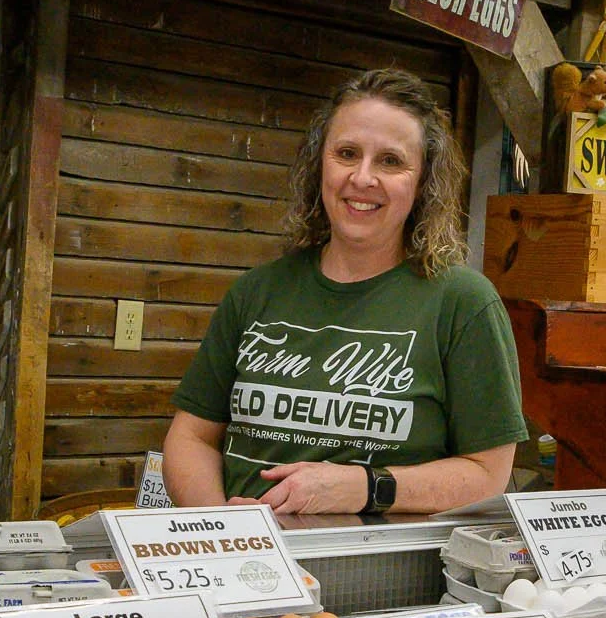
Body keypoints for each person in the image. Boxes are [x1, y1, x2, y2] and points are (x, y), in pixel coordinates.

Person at [163, 66, 526, 514]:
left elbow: (489, 474)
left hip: (386, 574)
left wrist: (366, 487)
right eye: (347, 153)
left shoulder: (462, 302)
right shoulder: (258, 291)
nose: (362, 178)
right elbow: (191, 436)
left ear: (423, 181)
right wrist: (220, 527)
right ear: (320, 164)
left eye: (391, 161)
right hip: (250, 566)